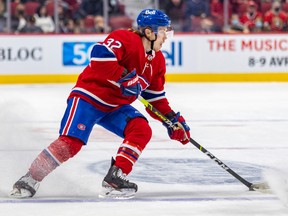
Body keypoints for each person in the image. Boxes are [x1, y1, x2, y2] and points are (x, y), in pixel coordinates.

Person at [10, 9, 191, 199]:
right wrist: (124, 78)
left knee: (141, 129)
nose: (166, 36)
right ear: (149, 32)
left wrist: (171, 120)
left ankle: (115, 177)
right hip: (90, 97)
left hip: (116, 106)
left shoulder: (158, 62)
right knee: (71, 143)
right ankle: (30, 178)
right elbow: (99, 55)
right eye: (163, 31)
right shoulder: (125, 38)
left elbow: (155, 99)